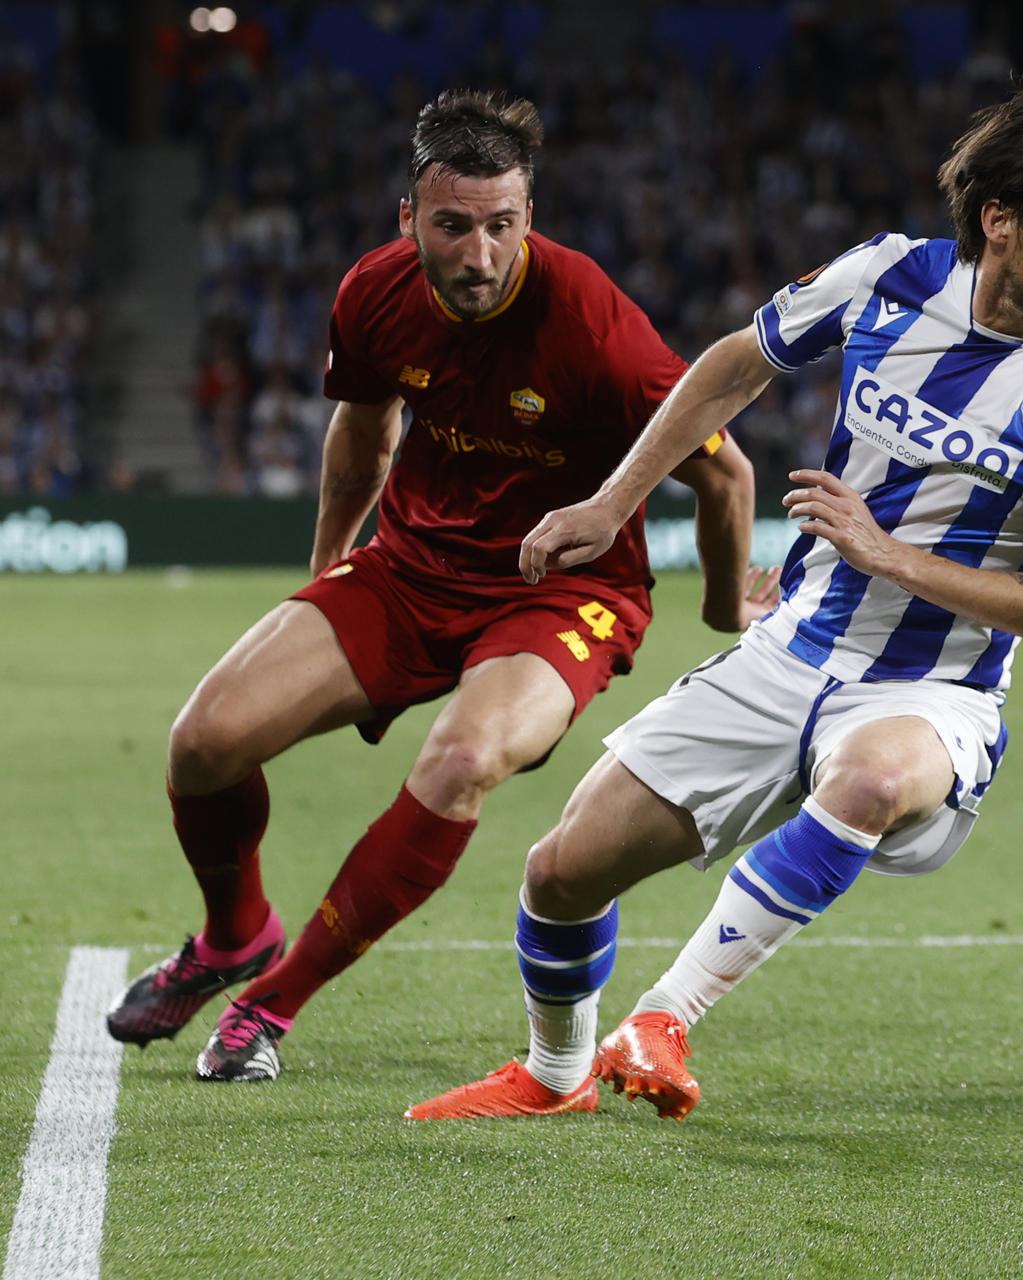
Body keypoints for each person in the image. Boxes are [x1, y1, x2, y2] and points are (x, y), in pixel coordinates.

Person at [405, 70, 1023, 1122]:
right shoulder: (889, 279)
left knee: (873, 777)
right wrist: (614, 503)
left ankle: (663, 1013)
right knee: (563, 870)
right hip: (791, 649)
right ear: (1000, 219)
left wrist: (888, 556)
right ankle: (554, 1073)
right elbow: (730, 368)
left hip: (936, 688)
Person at [105, 89, 762, 1083]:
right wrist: (326, 574)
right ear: (409, 218)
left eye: (502, 226)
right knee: (203, 743)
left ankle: (269, 1004)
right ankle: (234, 935)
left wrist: (723, 609)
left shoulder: (591, 323)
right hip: (411, 568)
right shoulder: (373, 292)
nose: (480, 254)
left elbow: (727, 471)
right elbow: (362, 432)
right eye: (454, 225)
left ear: (528, 219)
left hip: (560, 594)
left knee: (461, 759)